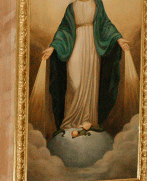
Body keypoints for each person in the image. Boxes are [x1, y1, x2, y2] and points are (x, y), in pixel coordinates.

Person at [29, 0, 140, 141]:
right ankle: (69, 121)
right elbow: (64, 30)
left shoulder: (97, 4)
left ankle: (87, 120)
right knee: (74, 83)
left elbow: (106, 25)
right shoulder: (71, 7)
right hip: (75, 45)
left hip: (92, 48)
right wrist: (53, 47)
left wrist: (119, 39)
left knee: (89, 82)